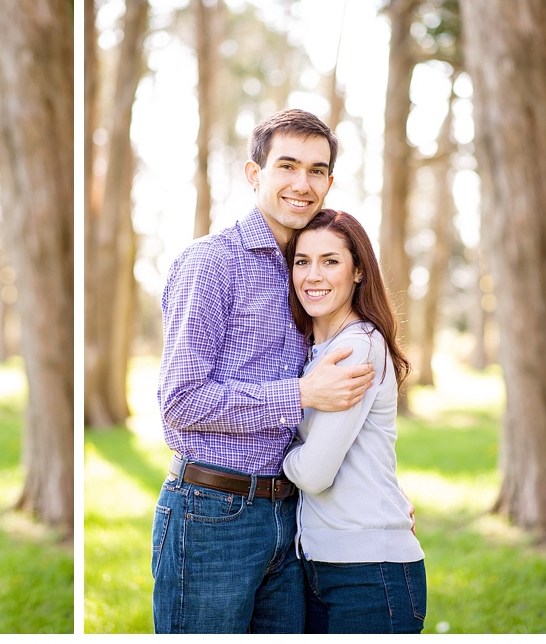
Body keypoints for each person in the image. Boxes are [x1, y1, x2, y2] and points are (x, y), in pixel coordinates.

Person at [152, 109, 377, 634]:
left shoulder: (309, 270)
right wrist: (300, 393)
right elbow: (181, 401)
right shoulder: (211, 264)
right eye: (288, 166)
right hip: (212, 514)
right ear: (255, 174)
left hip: (292, 515)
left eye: (317, 170)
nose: (303, 184)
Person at [282, 209, 426, 634]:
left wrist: (277, 453)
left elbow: (314, 473)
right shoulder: (316, 350)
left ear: (359, 271)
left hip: (368, 572)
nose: (313, 275)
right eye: (302, 261)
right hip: (323, 565)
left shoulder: (356, 348)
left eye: (331, 261)